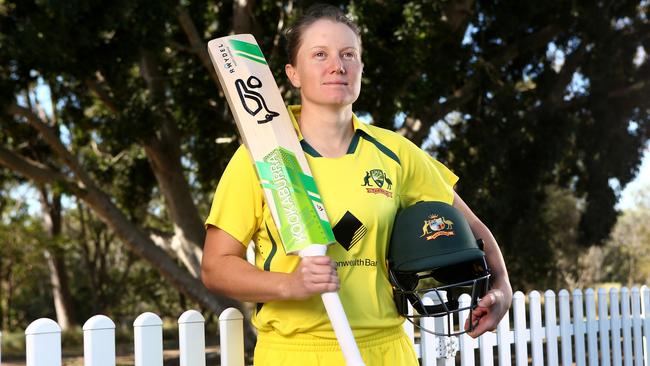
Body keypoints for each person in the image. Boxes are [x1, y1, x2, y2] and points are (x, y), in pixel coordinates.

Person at [201, 4, 512, 365]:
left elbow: (473, 229)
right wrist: (289, 285)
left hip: (387, 350)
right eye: (320, 54)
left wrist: (501, 287)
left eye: (349, 54)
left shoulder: (395, 153)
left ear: (361, 67)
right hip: (296, 353)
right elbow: (216, 266)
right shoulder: (262, 156)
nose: (338, 65)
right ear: (293, 73)